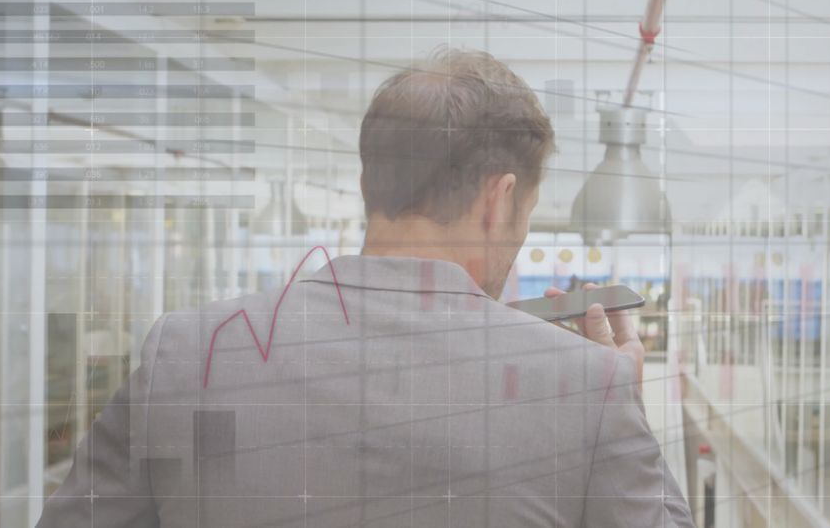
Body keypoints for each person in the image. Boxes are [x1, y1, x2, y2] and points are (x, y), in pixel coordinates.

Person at [38, 48, 694, 527]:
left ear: (366, 185)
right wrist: (617, 401)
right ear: (501, 201)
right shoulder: (584, 387)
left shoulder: (185, 352)